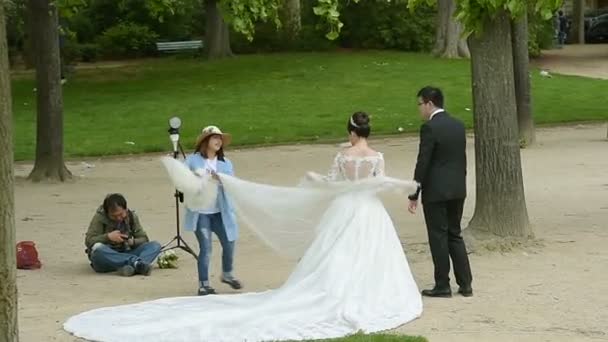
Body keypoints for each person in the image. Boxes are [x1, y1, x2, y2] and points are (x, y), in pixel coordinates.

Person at [64, 112, 423, 342]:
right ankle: (363, 292)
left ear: (350, 130)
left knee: (336, 255)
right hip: (369, 210)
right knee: (370, 254)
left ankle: (337, 290)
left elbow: (332, 182)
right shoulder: (376, 157)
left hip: (345, 208)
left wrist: (316, 179)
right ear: (368, 131)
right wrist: (409, 189)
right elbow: (380, 182)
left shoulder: (342, 156)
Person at [408, 86, 473, 298]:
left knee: (438, 236)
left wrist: (414, 192)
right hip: (457, 188)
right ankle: (465, 283)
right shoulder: (458, 125)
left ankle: (442, 284)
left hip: (436, 190)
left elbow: (423, 162)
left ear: (429, 103)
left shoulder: (430, 128)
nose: (419, 110)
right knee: (455, 234)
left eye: (420, 104)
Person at [184, 125, 242, 295]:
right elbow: (182, 178)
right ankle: (203, 284)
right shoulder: (192, 160)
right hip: (201, 213)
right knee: (206, 247)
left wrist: (220, 179)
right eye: (214, 137)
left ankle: (227, 273)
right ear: (205, 141)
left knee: (229, 242)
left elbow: (232, 184)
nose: (218, 141)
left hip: (220, 212)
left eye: (220, 138)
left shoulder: (226, 163)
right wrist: (194, 178)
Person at [84, 193, 161, 276]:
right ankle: (137, 263)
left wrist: (132, 242)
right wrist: (108, 237)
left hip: (126, 252)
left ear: (126, 209)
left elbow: (144, 238)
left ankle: (130, 267)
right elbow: (89, 241)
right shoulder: (99, 218)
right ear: (107, 213)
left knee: (155, 246)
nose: (118, 218)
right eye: (114, 216)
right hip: (107, 258)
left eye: (121, 214)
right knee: (98, 249)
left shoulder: (131, 216)